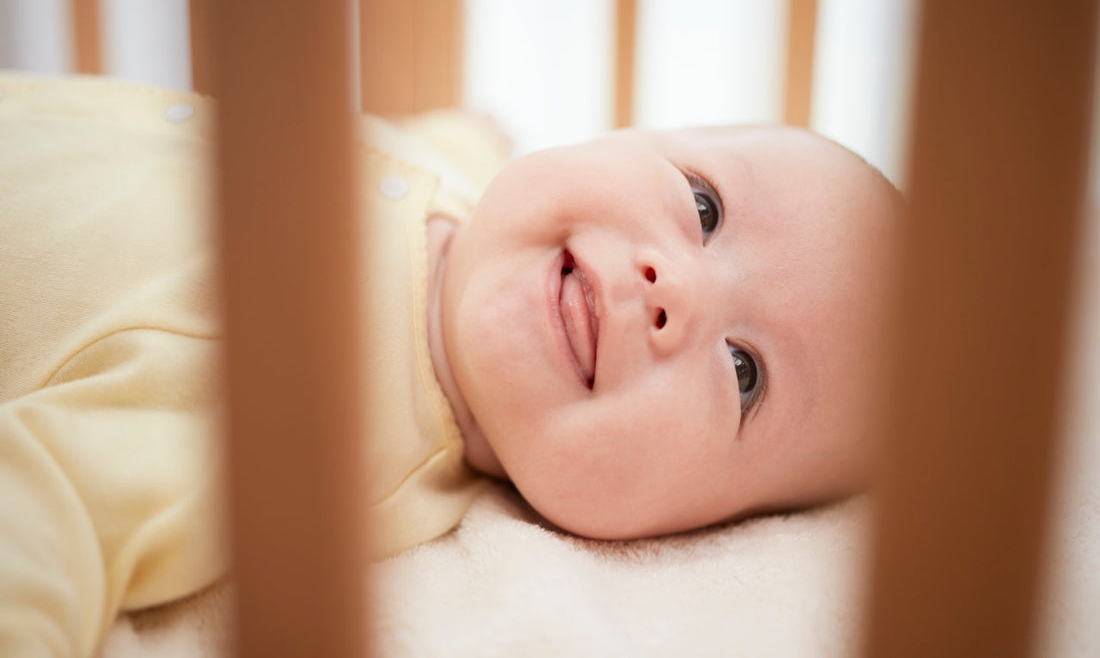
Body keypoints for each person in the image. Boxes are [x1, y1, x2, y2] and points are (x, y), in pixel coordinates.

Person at [0, 73, 899, 656]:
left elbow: (45, 513)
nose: (681, 291)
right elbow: (455, 149)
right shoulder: (465, 187)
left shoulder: (301, 434)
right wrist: (470, 128)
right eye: (703, 205)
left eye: (745, 373)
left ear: (701, 528)